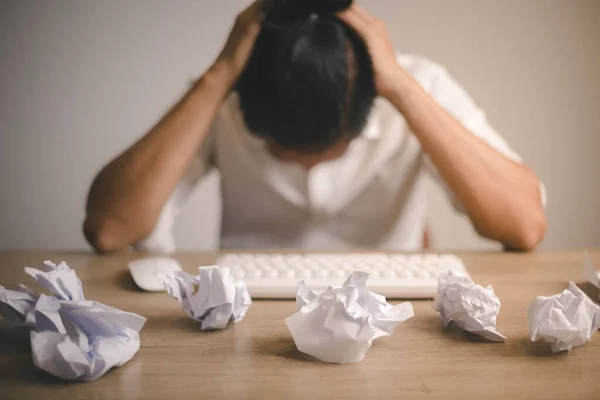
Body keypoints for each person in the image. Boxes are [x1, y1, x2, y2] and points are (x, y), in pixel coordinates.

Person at [83, 0, 547, 254]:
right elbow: (109, 229)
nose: (307, 163)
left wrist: (404, 90)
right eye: (284, 151)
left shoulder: (415, 84)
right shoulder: (223, 94)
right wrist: (217, 76)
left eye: (330, 148)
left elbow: (525, 226)